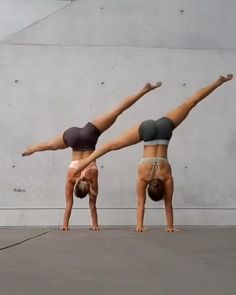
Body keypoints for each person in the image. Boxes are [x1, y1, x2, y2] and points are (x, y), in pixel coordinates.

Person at [71, 74, 233, 232]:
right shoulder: (144, 178)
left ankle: (218, 82)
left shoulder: (165, 176)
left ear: (162, 188)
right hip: (146, 132)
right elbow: (141, 202)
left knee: (191, 102)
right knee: (110, 145)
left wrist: (169, 227)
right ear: (149, 187)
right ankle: (145, 90)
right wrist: (81, 166)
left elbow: (168, 204)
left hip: (164, 129)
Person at [22, 82, 162, 231]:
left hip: (89, 139)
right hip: (73, 137)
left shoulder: (92, 177)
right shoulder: (71, 177)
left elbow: (92, 204)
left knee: (116, 112)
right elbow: (69, 204)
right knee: (50, 145)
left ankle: (144, 90)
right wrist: (65, 225)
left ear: (87, 188)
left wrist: (95, 225)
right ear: (75, 186)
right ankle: (33, 148)